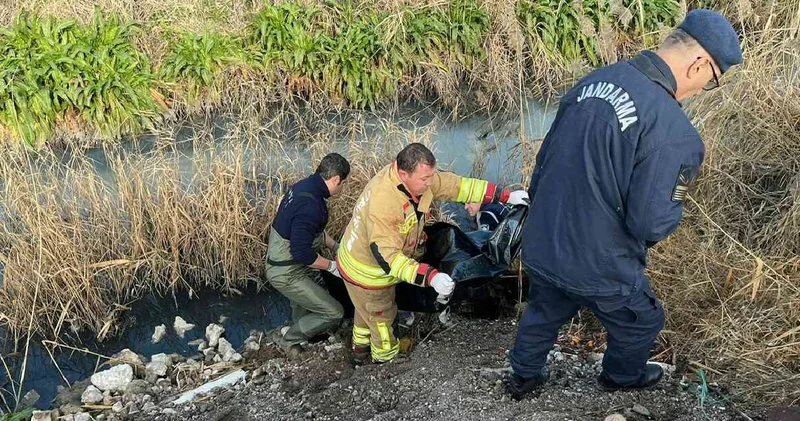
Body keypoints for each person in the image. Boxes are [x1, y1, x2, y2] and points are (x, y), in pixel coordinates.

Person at [507, 9, 743, 399]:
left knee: (545, 307)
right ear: (699, 64)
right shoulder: (674, 132)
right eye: (711, 82)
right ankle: (620, 377)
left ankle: (523, 375)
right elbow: (650, 222)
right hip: (598, 259)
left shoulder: (593, 82)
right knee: (642, 320)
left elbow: (545, 162)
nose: (702, 91)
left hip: (545, 239)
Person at [336, 143, 529, 364]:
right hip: (368, 272)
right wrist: (431, 276)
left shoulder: (418, 180)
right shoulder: (385, 203)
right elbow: (389, 259)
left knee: (364, 309)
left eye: (431, 176)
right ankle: (385, 360)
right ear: (403, 173)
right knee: (382, 315)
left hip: (357, 261)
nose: (430, 183)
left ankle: (359, 348)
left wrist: (504, 196)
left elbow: (460, 187)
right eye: (424, 179)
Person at [266, 153, 350, 357]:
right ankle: (289, 340)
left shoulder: (304, 187)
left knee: (303, 300)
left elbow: (310, 232)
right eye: (342, 184)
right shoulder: (312, 205)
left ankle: (304, 328)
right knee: (335, 312)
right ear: (336, 179)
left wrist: (336, 246)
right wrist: (332, 267)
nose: (341, 188)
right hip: (285, 270)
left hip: (285, 261)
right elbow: (302, 252)